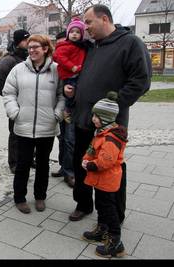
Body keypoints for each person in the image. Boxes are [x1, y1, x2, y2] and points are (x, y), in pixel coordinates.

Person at [65, 4, 151, 222]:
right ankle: (83, 204)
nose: (85, 28)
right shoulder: (93, 46)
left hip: (110, 126)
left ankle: (114, 215)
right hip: (84, 119)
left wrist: (111, 107)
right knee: (81, 164)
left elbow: (141, 81)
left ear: (104, 19)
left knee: (110, 169)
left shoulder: (130, 43)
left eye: (88, 22)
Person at [3, 34, 65, 214]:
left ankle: (40, 197)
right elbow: (9, 93)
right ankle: (20, 198)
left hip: (47, 126)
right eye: (29, 47)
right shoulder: (18, 69)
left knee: (43, 164)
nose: (31, 50)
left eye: (36, 47)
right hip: (23, 126)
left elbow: (62, 95)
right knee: (22, 164)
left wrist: (57, 114)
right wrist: (14, 112)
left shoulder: (56, 69)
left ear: (46, 49)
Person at [81, 92, 127, 258]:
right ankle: (102, 229)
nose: (93, 118)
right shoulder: (101, 132)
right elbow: (92, 149)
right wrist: (86, 159)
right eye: (94, 115)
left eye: (97, 116)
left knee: (109, 209)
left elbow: (106, 160)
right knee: (101, 205)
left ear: (107, 118)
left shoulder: (111, 138)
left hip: (107, 180)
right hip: (101, 180)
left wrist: (91, 165)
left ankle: (116, 242)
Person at [0, 29, 30, 174]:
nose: (28, 42)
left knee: (29, 133)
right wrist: (11, 98)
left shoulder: (30, 57)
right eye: (25, 40)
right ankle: (14, 162)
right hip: (16, 103)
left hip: (30, 103)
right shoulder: (9, 60)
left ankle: (29, 158)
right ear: (18, 42)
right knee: (15, 133)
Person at [51, 30, 76, 188]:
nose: (61, 46)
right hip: (59, 107)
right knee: (61, 139)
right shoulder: (54, 64)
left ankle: (70, 172)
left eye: (63, 43)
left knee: (70, 140)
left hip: (72, 107)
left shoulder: (75, 61)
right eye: (58, 44)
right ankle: (63, 167)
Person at [53, 17, 87, 124]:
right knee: (70, 94)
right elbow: (60, 58)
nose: (75, 34)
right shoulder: (65, 46)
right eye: (72, 32)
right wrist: (72, 67)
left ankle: (71, 111)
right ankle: (67, 110)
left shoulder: (81, 46)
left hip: (77, 73)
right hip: (69, 74)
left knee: (76, 94)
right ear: (68, 34)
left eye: (78, 32)